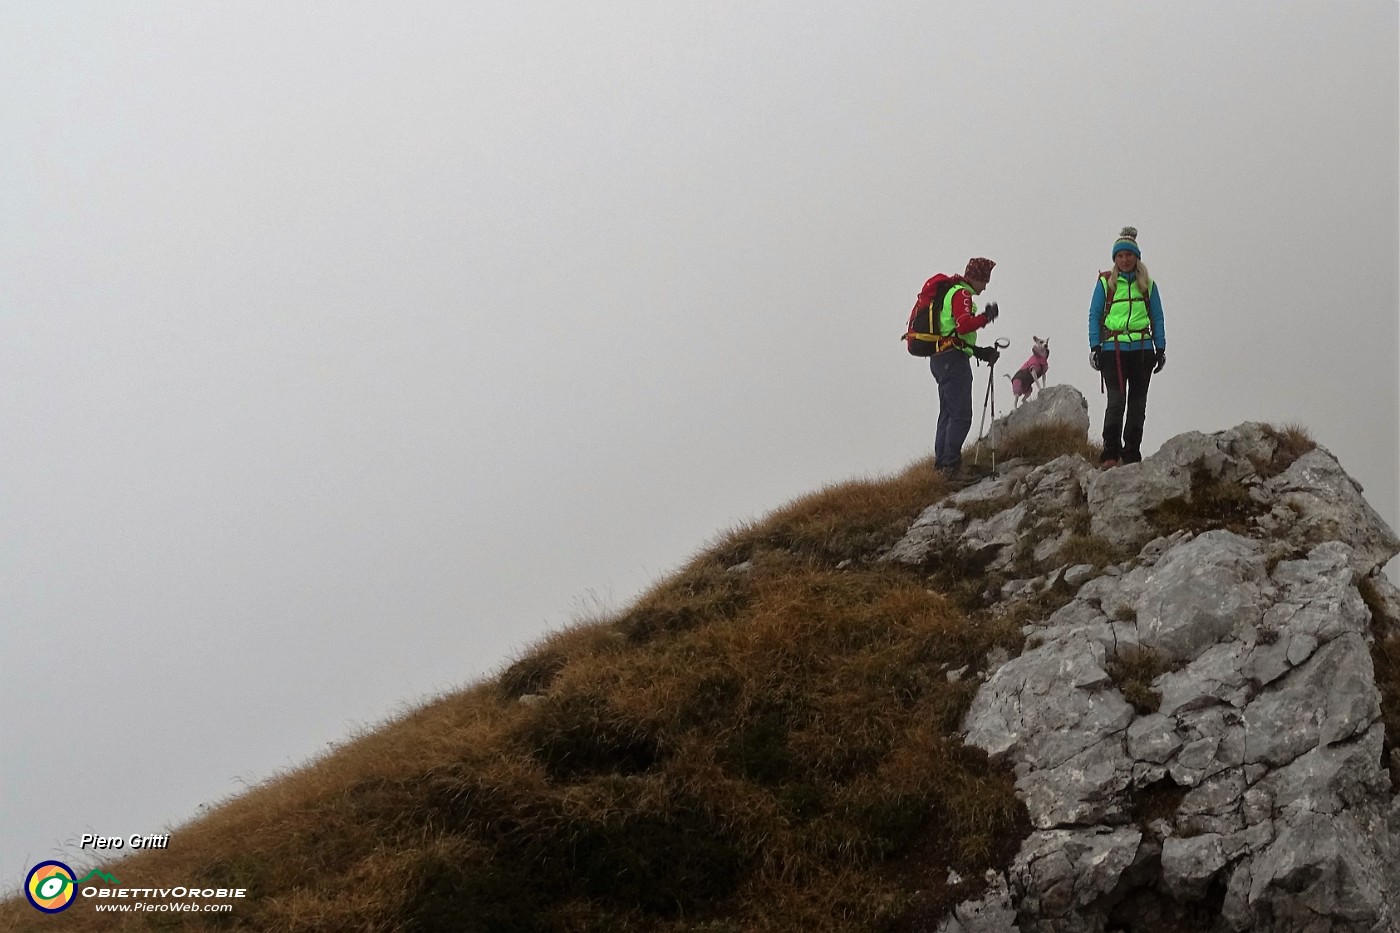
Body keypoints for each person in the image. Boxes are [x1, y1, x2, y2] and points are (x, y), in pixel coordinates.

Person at [1089, 226, 1166, 467]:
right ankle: (1110, 453)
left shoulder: (1149, 285)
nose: (1124, 260)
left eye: (1129, 255)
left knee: (1137, 404)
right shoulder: (1106, 283)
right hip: (1113, 350)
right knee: (1116, 401)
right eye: (1120, 256)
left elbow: (1157, 317)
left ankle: (1132, 452)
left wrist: (1160, 348)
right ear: (1115, 259)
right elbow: (1094, 314)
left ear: (1136, 257)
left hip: (1143, 351)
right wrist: (1095, 346)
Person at [927, 257, 1001, 476]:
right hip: (953, 361)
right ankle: (950, 466)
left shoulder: (951, 292)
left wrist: (979, 351)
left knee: (947, 413)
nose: (986, 285)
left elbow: (954, 333)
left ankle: (941, 466)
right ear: (975, 278)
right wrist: (986, 317)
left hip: (940, 357)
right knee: (961, 415)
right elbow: (963, 326)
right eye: (984, 280)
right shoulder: (962, 293)